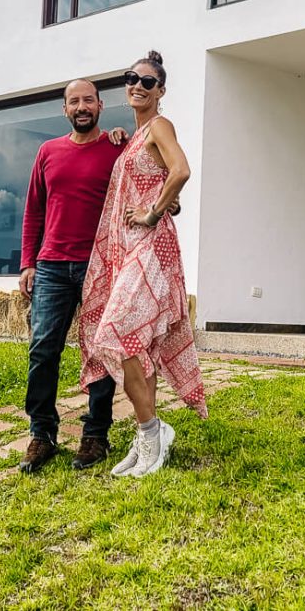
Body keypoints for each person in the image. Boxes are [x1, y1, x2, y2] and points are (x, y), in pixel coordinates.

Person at [78, 51, 207, 478]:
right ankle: (147, 433)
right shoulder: (133, 136)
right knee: (138, 343)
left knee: (116, 332)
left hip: (151, 246)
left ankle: (153, 431)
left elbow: (181, 169)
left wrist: (153, 211)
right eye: (131, 78)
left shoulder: (159, 125)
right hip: (130, 247)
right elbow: (155, 174)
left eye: (147, 82)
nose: (137, 85)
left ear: (160, 91)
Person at [17, 79, 125, 474]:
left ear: (100, 105)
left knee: (100, 350)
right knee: (43, 349)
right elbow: (34, 211)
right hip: (52, 266)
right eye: (74, 101)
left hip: (101, 265)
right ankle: (42, 434)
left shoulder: (116, 149)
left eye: (88, 100)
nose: (82, 107)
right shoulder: (48, 151)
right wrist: (28, 262)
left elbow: (140, 178)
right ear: (65, 109)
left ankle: (96, 434)